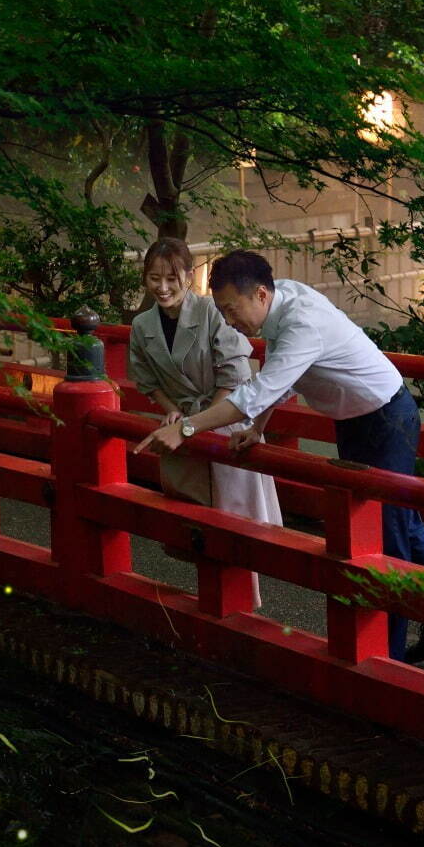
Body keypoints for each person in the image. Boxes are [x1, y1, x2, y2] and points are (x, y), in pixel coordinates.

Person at [132, 250, 424, 663]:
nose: (229, 320)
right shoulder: (284, 304)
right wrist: (259, 428)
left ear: (261, 294)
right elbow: (278, 378)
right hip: (354, 418)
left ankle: (390, 652)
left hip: (385, 417)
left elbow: (255, 391)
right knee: (397, 520)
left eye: (231, 309)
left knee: (386, 534)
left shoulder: (301, 322)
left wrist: (187, 428)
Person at [127, 238, 283, 607]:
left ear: (188, 275)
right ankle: (214, 601)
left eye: (171, 278)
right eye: (154, 278)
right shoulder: (142, 324)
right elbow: (147, 381)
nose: (162, 287)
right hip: (182, 426)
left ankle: (243, 605)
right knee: (196, 522)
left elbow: (233, 378)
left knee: (234, 521)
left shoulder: (215, 311)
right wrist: (171, 409)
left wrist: (195, 423)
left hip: (224, 421)